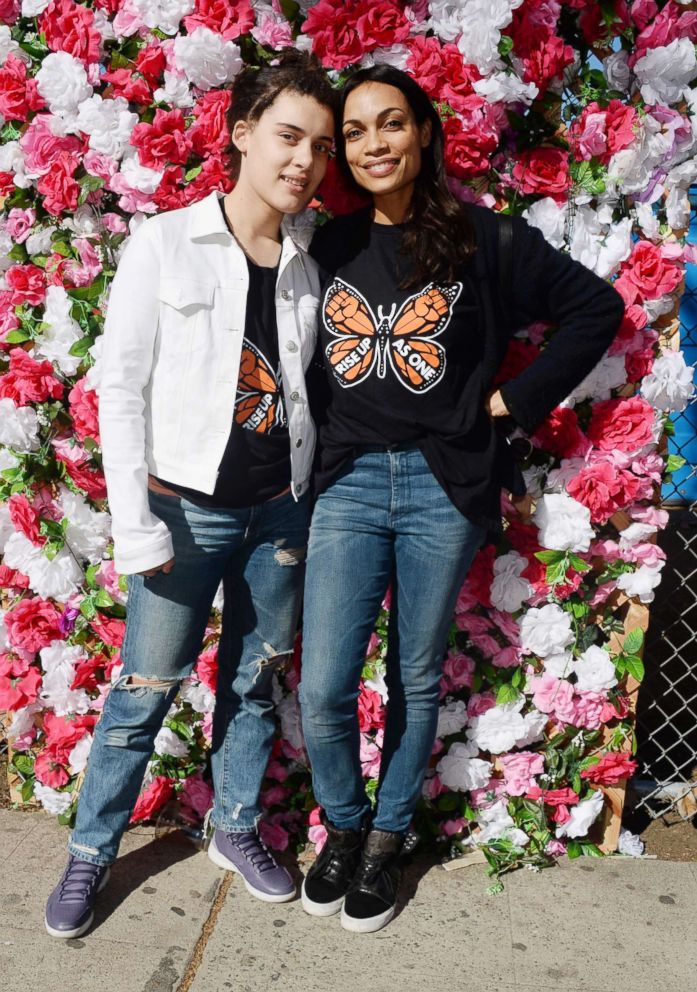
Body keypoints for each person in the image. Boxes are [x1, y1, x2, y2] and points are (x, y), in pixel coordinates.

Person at [298, 64, 625, 934]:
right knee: (327, 684)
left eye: (391, 123)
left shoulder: (484, 241)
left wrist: (513, 401)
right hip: (349, 486)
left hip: (443, 483)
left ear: (423, 134)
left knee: (411, 675)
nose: (374, 143)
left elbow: (593, 308)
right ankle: (342, 826)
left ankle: (386, 840)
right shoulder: (326, 246)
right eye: (357, 130)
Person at [44, 51, 336, 939]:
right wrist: (134, 525)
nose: (304, 161)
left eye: (320, 147)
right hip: (185, 511)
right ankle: (93, 849)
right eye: (288, 137)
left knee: (254, 681)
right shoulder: (165, 240)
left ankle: (234, 827)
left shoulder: (308, 257)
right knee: (144, 690)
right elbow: (120, 385)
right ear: (242, 134)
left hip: (279, 510)